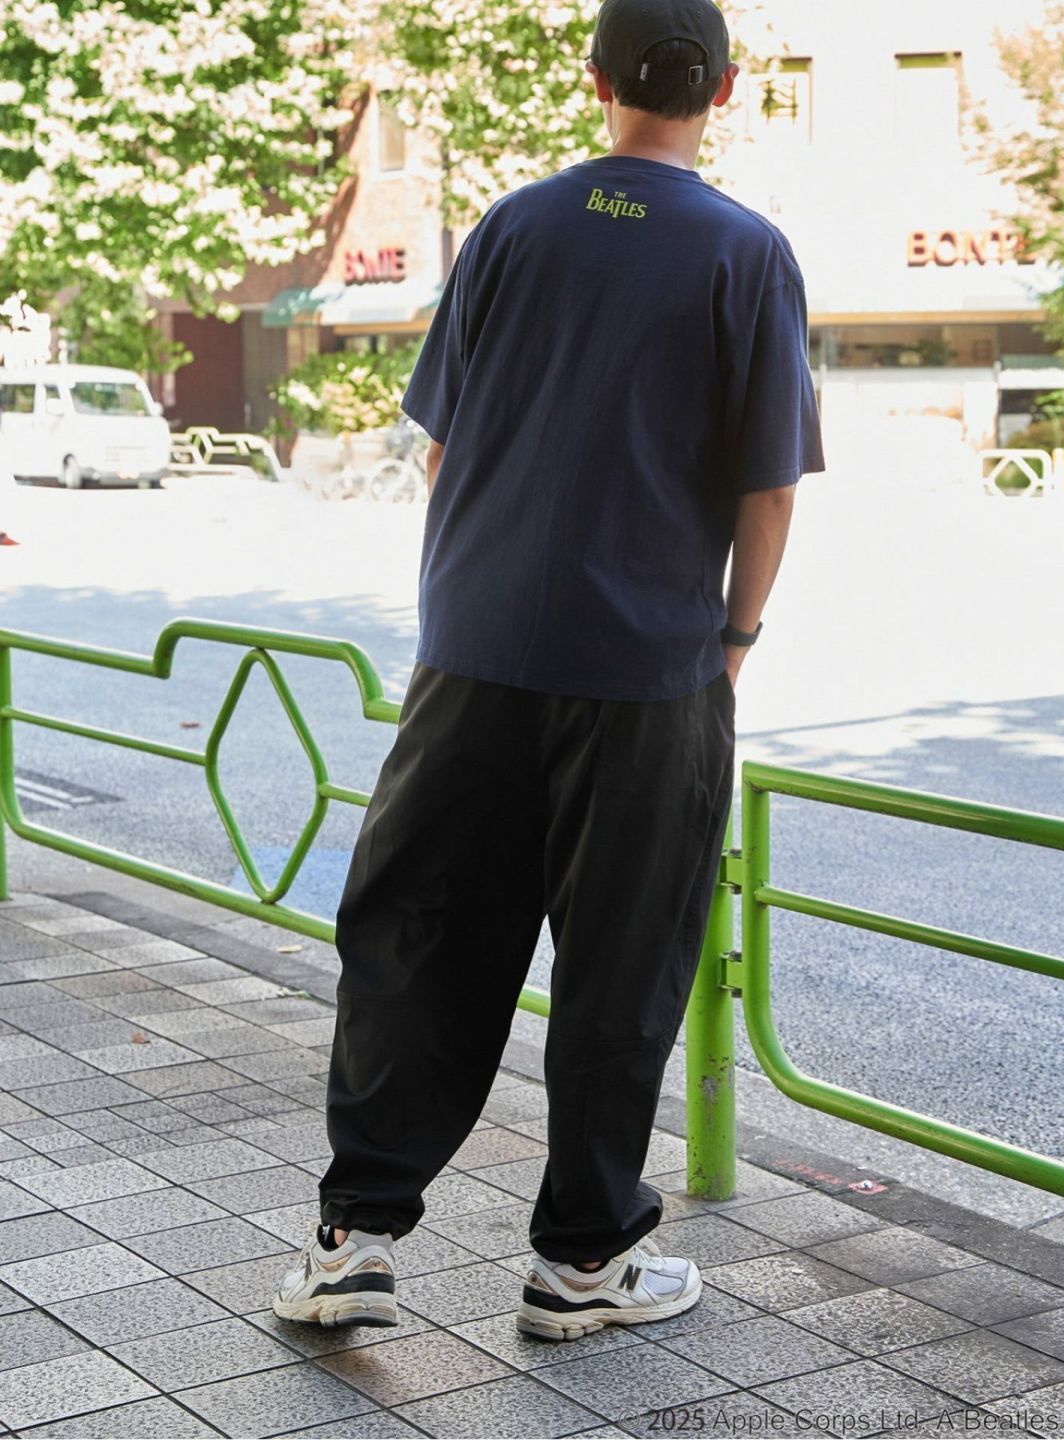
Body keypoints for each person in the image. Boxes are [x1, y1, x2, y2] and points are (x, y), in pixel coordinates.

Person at [273, 0, 825, 1342]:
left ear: (596, 80)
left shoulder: (513, 228)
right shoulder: (747, 253)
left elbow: (444, 449)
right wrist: (736, 640)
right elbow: (768, 489)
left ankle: (353, 1245)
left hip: (475, 655)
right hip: (651, 672)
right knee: (622, 967)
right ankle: (581, 1264)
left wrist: (474, 597)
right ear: (725, 90)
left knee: (418, 935)